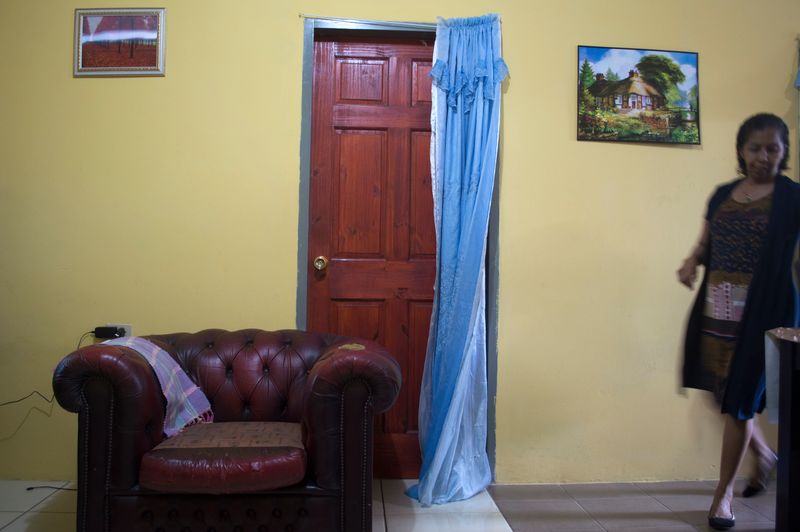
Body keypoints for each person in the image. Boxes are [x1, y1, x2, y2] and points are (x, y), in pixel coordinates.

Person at [677, 113, 800, 531]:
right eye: (754, 147)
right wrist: (692, 260)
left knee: (741, 401)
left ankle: (723, 497)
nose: (763, 156)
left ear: (783, 152)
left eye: (772, 148)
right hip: (719, 307)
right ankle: (764, 457)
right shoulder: (723, 193)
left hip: (765, 311)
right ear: (740, 150)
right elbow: (706, 238)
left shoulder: (792, 198)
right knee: (721, 394)